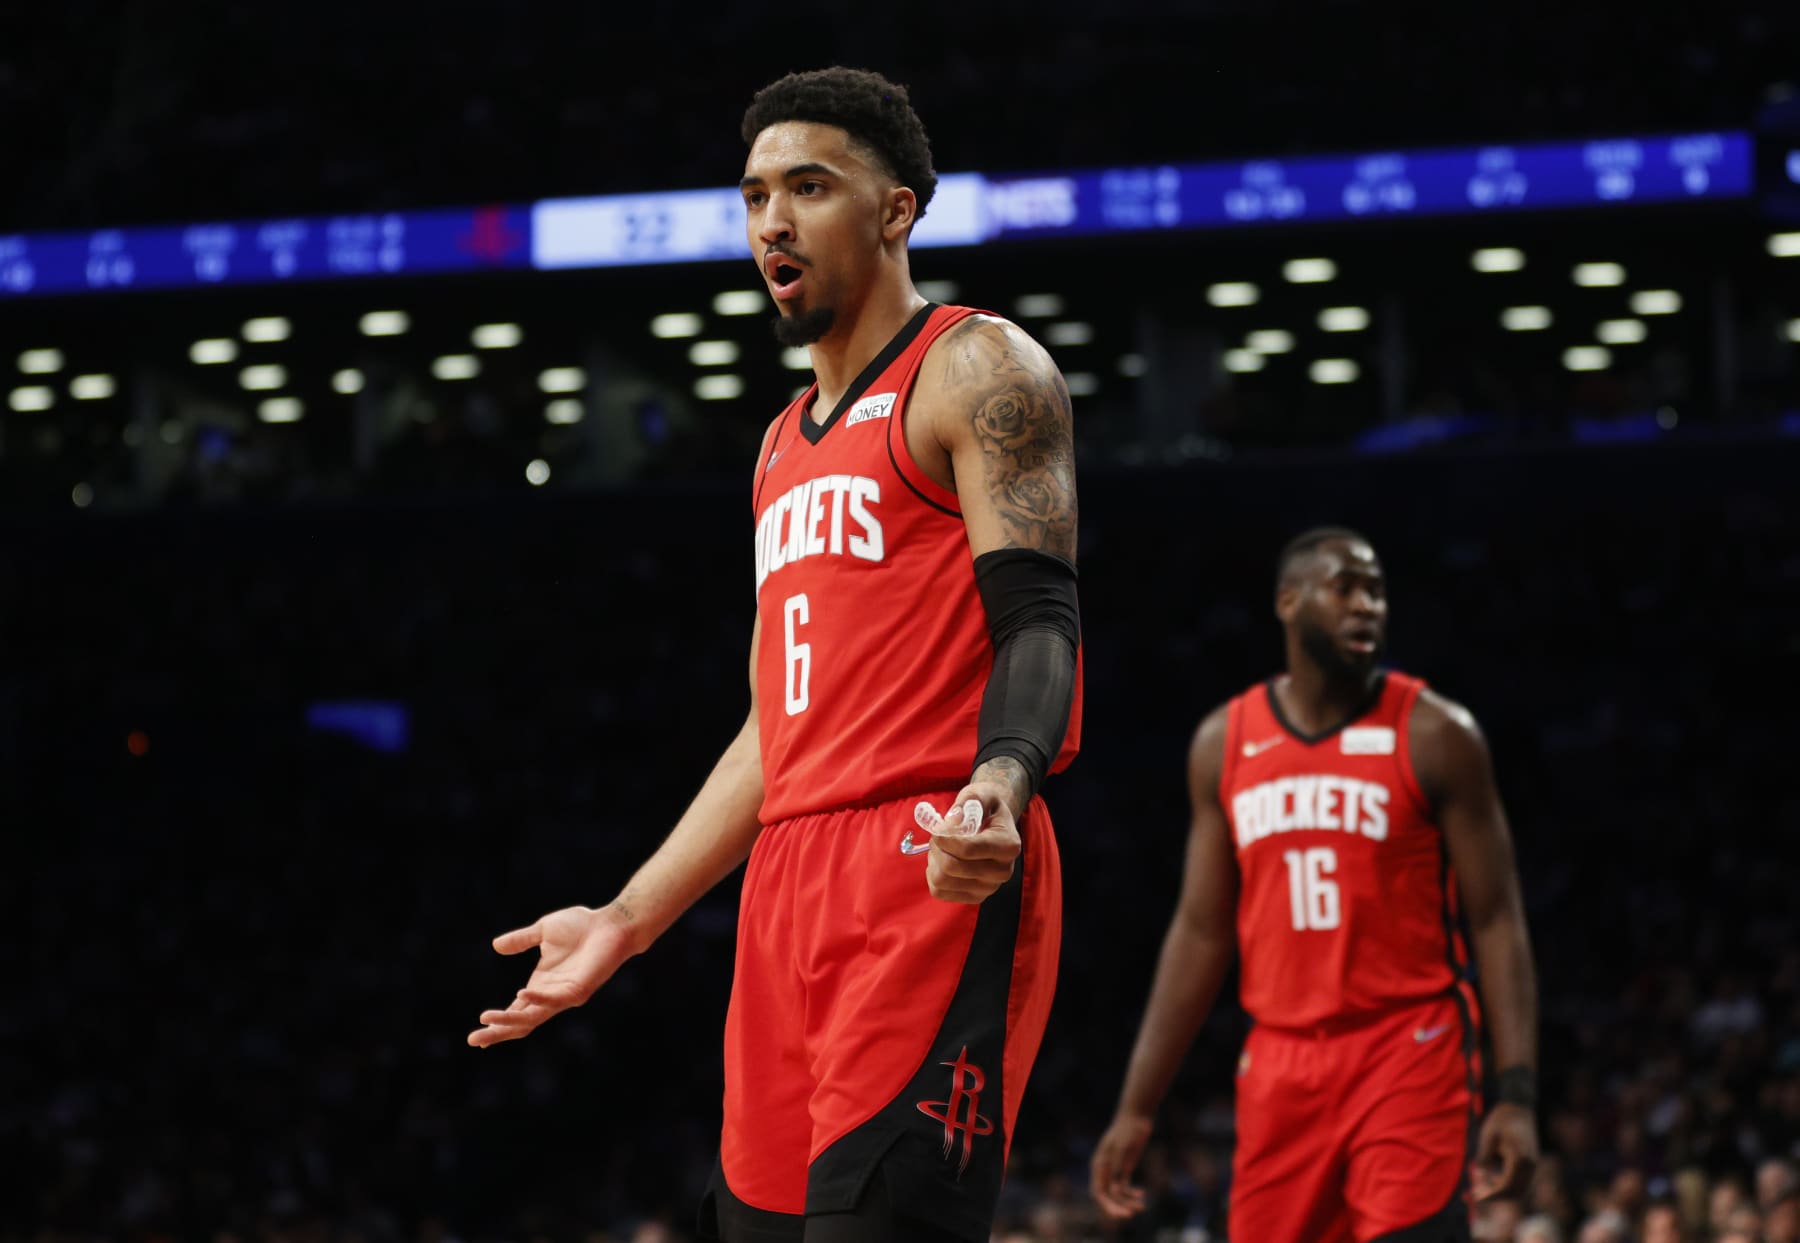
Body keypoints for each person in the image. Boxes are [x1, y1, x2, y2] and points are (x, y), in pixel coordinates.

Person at [468, 67, 1083, 1243]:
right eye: (755, 195)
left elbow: (1040, 619)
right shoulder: (776, 449)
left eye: (809, 186)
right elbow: (773, 732)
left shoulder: (977, 367)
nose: (771, 223)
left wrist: (1000, 784)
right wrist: (627, 918)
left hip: (930, 853)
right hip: (786, 886)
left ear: (897, 210)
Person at [1090, 528, 1538, 1241]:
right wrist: (1137, 1104)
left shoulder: (1437, 734)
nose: (1367, 606)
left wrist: (1514, 1093)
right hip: (1280, 1063)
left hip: (1408, 1045)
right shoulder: (1224, 743)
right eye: (1346, 587)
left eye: (1377, 591)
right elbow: (1201, 931)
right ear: (1289, 601)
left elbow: (1497, 918)